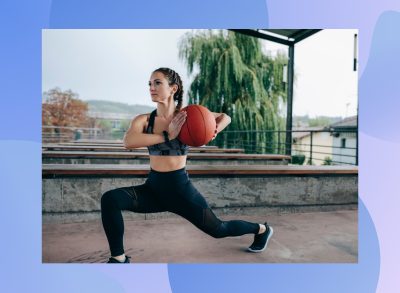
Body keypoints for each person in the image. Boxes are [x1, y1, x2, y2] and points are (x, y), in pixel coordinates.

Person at [101, 67, 273, 263]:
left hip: (181, 191)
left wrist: (213, 130)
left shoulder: (189, 117)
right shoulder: (144, 120)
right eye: (149, 83)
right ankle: (119, 258)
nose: (151, 87)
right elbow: (128, 142)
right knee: (110, 199)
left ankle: (262, 229)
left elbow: (226, 117)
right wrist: (166, 135)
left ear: (173, 88)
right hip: (153, 190)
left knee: (218, 229)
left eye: (158, 83)